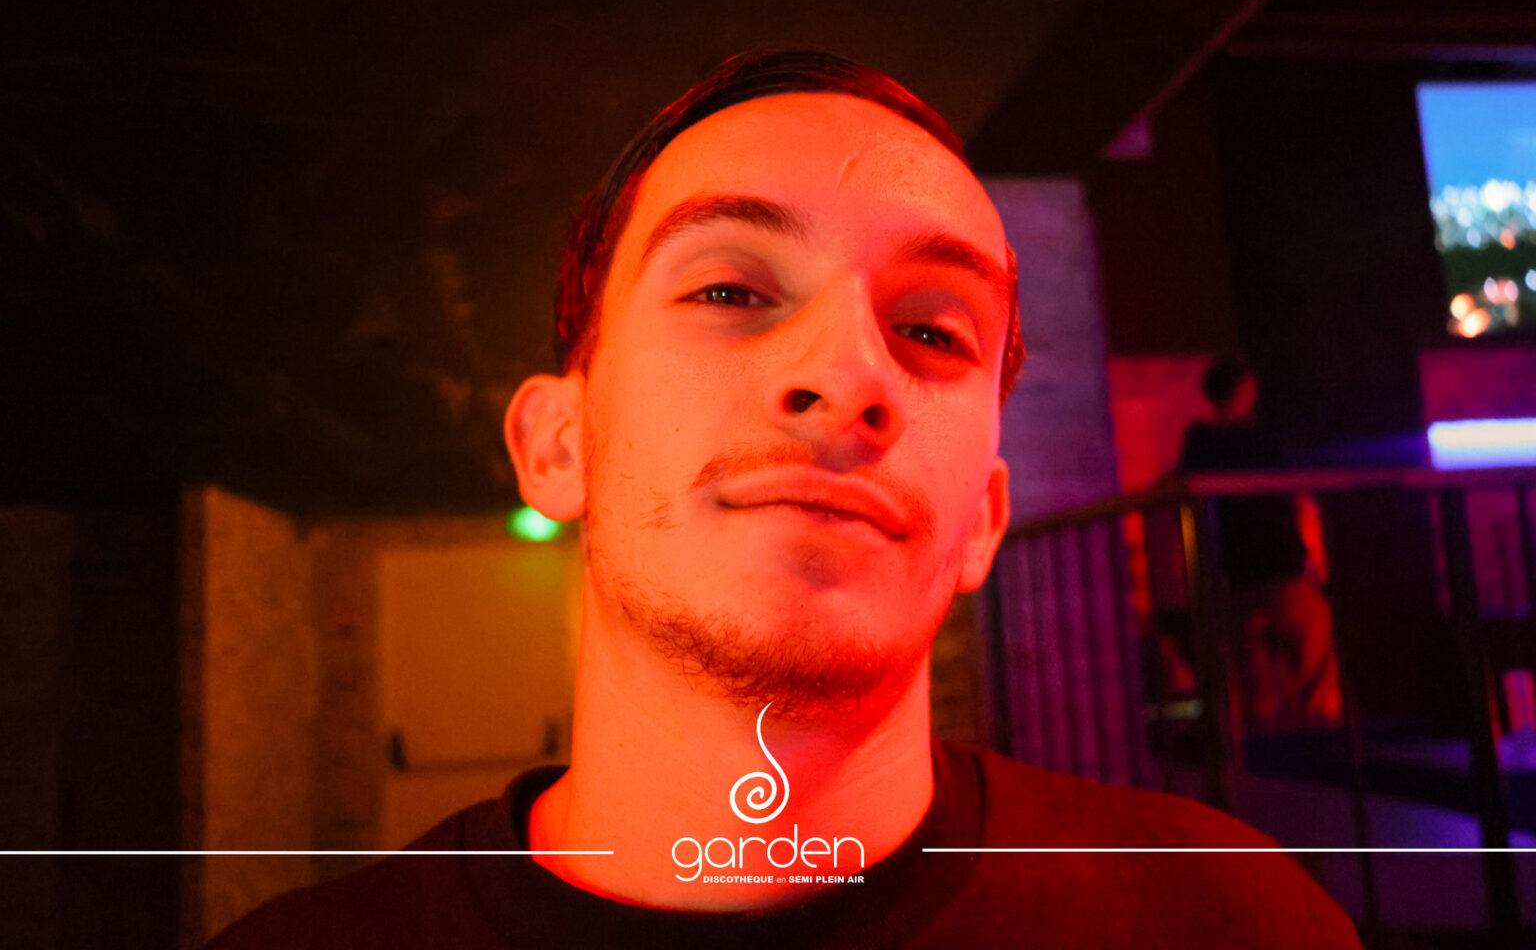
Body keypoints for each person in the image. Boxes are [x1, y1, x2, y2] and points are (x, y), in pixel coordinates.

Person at [208, 50, 1360, 947]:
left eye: (930, 330)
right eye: (728, 289)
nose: (850, 377)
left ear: (984, 519)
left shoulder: (1235, 921)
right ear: (558, 443)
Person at [1178, 355, 1343, 725]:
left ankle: (1264, 727)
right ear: (1243, 390)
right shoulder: (1262, 443)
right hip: (1275, 564)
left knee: (1251, 662)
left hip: (1235, 569)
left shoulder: (1203, 445)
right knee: (1310, 642)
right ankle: (1318, 722)